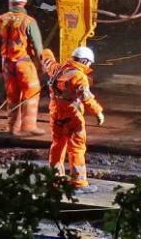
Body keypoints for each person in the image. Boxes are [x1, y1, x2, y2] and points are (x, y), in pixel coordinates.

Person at [42, 45, 104, 192]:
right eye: (89, 63)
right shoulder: (79, 77)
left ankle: (55, 180)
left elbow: (47, 61)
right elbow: (86, 98)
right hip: (72, 118)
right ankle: (78, 183)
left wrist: (44, 50)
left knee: (57, 146)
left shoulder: (58, 69)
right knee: (76, 148)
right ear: (84, 61)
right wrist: (98, 112)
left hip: (56, 116)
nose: (89, 66)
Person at [0, 0, 44, 136]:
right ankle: (28, 127)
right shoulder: (29, 21)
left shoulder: (0, 19)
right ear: (24, 2)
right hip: (24, 63)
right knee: (31, 92)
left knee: (13, 95)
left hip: (7, 64)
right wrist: (40, 66)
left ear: (10, 2)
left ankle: (12, 127)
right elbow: (38, 47)